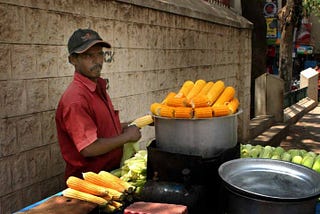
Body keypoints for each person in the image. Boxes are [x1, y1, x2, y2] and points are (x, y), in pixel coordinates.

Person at [55, 29, 142, 181]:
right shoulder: (76, 99)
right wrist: (127, 137)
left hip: (110, 177)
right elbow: (89, 148)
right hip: (90, 185)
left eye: (99, 54)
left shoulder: (97, 88)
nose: (97, 61)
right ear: (73, 60)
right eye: (89, 56)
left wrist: (124, 127)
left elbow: (98, 127)